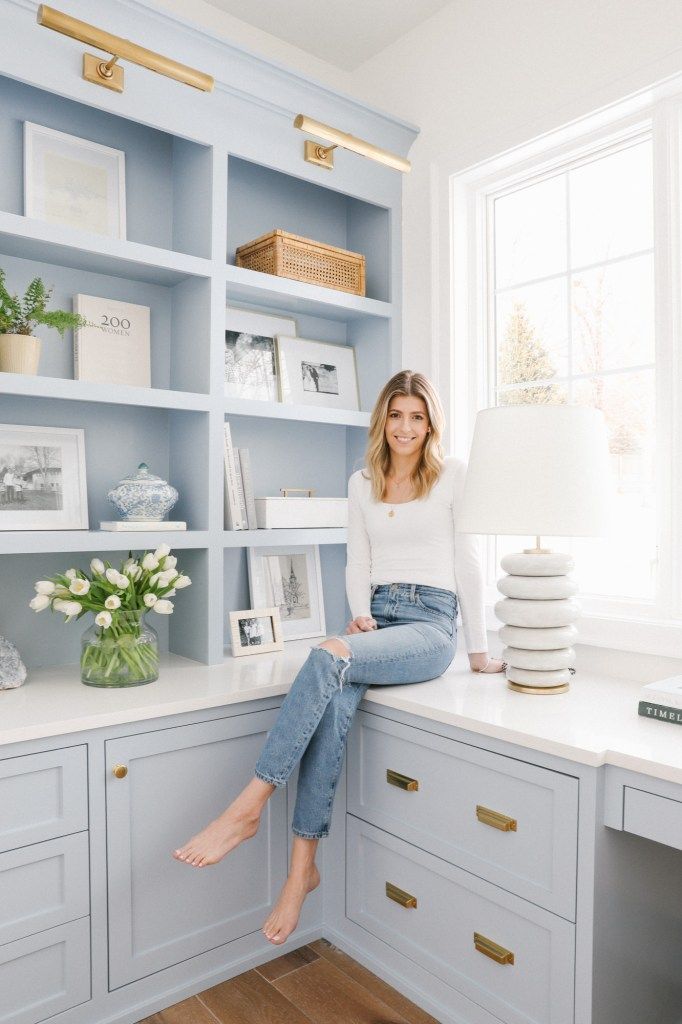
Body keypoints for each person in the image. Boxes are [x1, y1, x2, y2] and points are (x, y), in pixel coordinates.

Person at [173, 370, 505, 945]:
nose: (405, 427)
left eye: (417, 417)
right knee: (334, 700)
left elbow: (469, 564)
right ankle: (303, 870)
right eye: (396, 415)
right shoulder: (361, 482)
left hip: (429, 626)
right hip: (379, 619)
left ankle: (250, 804)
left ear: (431, 424)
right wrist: (361, 615)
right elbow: (357, 559)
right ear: (383, 420)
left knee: (326, 658)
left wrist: (476, 650)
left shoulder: (453, 476)